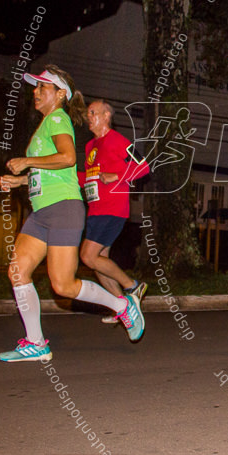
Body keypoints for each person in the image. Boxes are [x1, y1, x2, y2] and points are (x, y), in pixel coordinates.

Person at [0, 67, 145, 362]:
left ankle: (124, 302)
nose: (36, 92)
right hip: (45, 211)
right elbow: (68, 172)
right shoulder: (84, 142)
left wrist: (116, 176)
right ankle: (36, 343)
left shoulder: (60, 120)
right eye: (35, 88)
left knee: (67, 281)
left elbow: (68, 157)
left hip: (75, 209)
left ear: (60, 93)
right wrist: (22, 180)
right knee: (18, 271)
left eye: (43, 87)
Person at [78, 99, 150, 324]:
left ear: (106, 116)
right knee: (99, 262)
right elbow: (89, 177)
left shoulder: (118, 140)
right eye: (88, 113)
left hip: (113, 209)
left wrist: (117, 177)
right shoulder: (91, 146)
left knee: (88, 256)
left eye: (93, 112)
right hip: (95, 209)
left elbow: (143, 166)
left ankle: (133, 287)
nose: (88, 116)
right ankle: (123, 308)